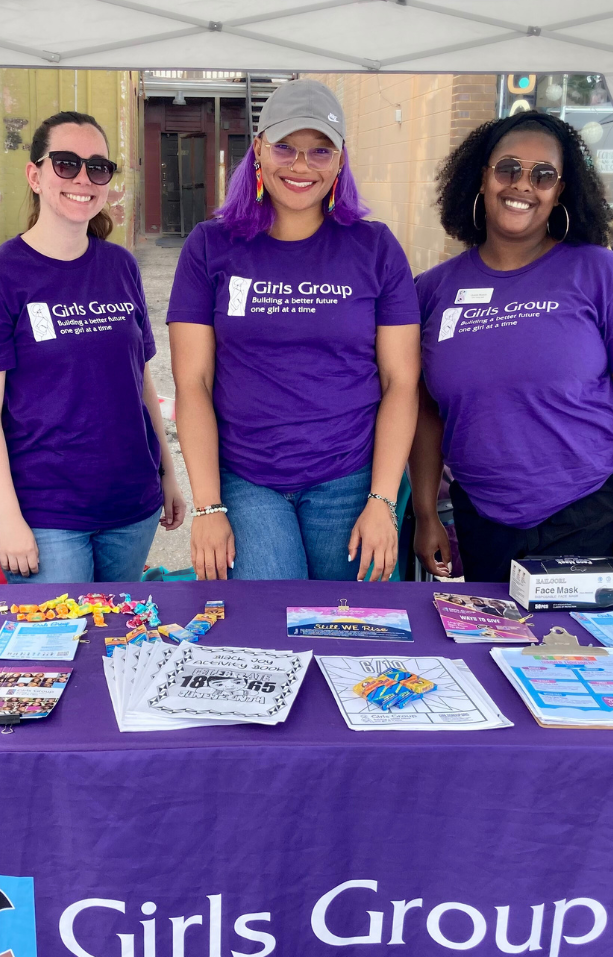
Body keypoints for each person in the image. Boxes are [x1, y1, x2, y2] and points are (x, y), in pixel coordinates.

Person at [167, 80, 421, 581]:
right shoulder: (211, 246)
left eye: (319, 151)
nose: (301, 165)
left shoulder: (375, 248)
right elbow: (191, 384)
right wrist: (208, 506)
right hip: (246, 478)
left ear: (341, 159)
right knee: (266, 628)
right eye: (285, 147)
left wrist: (383, 501)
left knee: (352, 633)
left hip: (349, 478)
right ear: (259, 148)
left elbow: (401, 381)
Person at [410, 111, 613, 582]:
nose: (523, 185)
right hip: (483, 520)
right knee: (495, 653)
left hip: (590, 516)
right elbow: (425, 410)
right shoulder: (432, 291)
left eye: (543, 175)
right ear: (482, 178)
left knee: (580, 657)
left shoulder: (603, 276)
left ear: (560, 191)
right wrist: (427, 513)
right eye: (508, 168)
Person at [0, 110, 184, 584]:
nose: (83, 178)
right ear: (35, 175)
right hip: (46, 513)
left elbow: (139, 381)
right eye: (66, 164)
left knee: (120, 641)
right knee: (60, 652)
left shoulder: (120, 266)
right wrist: (9, 518)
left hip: (130, 505)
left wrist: (166, 472)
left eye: (97, 167)